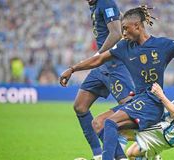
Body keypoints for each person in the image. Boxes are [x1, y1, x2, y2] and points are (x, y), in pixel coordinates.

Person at [60, 5, 174, 160]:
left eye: (126, 28)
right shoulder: (124, 46)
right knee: (98, 123)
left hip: (152, 102)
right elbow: (98, 59)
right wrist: (72, 69)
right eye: (122, 29)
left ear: (137, 26)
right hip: (139, 100)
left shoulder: (161, 45)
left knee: (110, 123)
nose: (123, 33)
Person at [74, 0, 135, 159]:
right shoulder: (95, 5)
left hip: (114, 64)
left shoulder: (106, 2)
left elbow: (116, 33)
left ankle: (149, 147)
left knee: (131, 107)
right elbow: (119, 21)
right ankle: (99, 155)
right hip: (102, 67)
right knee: (80, 106)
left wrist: (98, 55)